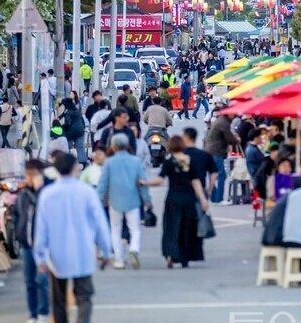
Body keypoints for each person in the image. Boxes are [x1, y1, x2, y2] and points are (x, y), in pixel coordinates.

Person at [33, 154, 111, 323]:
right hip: (83, 252)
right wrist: (107, 250)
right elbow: (100, 223)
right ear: (75, 168)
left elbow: (40, 229)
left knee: (58, 302)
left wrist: (40, 257)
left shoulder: (48, 194)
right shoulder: (86, 192)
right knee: (84, 294)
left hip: (56, 256)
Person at [151, 136, 209, 268]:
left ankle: (170, 253)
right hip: (189, 199)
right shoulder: (191, 161)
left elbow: (160, 180)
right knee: (187, 228)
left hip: (173, 199)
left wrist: (143, 183)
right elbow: (195, 182)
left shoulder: (169, 162)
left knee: (171, 227)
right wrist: (203, 199)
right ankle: (185, 257)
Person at [98, 133, 152, 270]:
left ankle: (119, 259)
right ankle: (134, 249)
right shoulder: (135, 161)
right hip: (133, 199)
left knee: (115, 229)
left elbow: (103, 184)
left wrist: (98, 199)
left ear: (113, 146)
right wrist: (147, 201)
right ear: (127, 146)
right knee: (135, 229)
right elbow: (142, 182)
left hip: (114, 200)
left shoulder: (109, 162)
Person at [9, 159, 51, 323]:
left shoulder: (47, 193)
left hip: (43, 246)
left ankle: (43, 315)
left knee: (41, 280)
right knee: (29, 281)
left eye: (32, 174)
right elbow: (16, 213)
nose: (29, 178)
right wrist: (15, 227)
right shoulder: (23, 193)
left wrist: (40, 189)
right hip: (27, 243)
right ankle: (32, 315)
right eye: (27, 174)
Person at [205, 111, 239, 203]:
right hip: (216, 151)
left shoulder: (220, 121)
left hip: (210, 151)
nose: (235, 115)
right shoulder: (224, 123)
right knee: (221, 175)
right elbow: (229, 138)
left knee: (213, 174)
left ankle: (214, 197)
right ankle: (219, 198)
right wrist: (237, 140)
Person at [61, 98, 88, 164]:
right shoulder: (78, 111)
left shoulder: (69, 112)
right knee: (80, 147)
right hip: (80, 131)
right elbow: (83, 121)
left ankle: (66, 161)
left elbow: (68, 123)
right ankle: (83, 161)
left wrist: (62, 127)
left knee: (66, 145)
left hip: (71, 132)